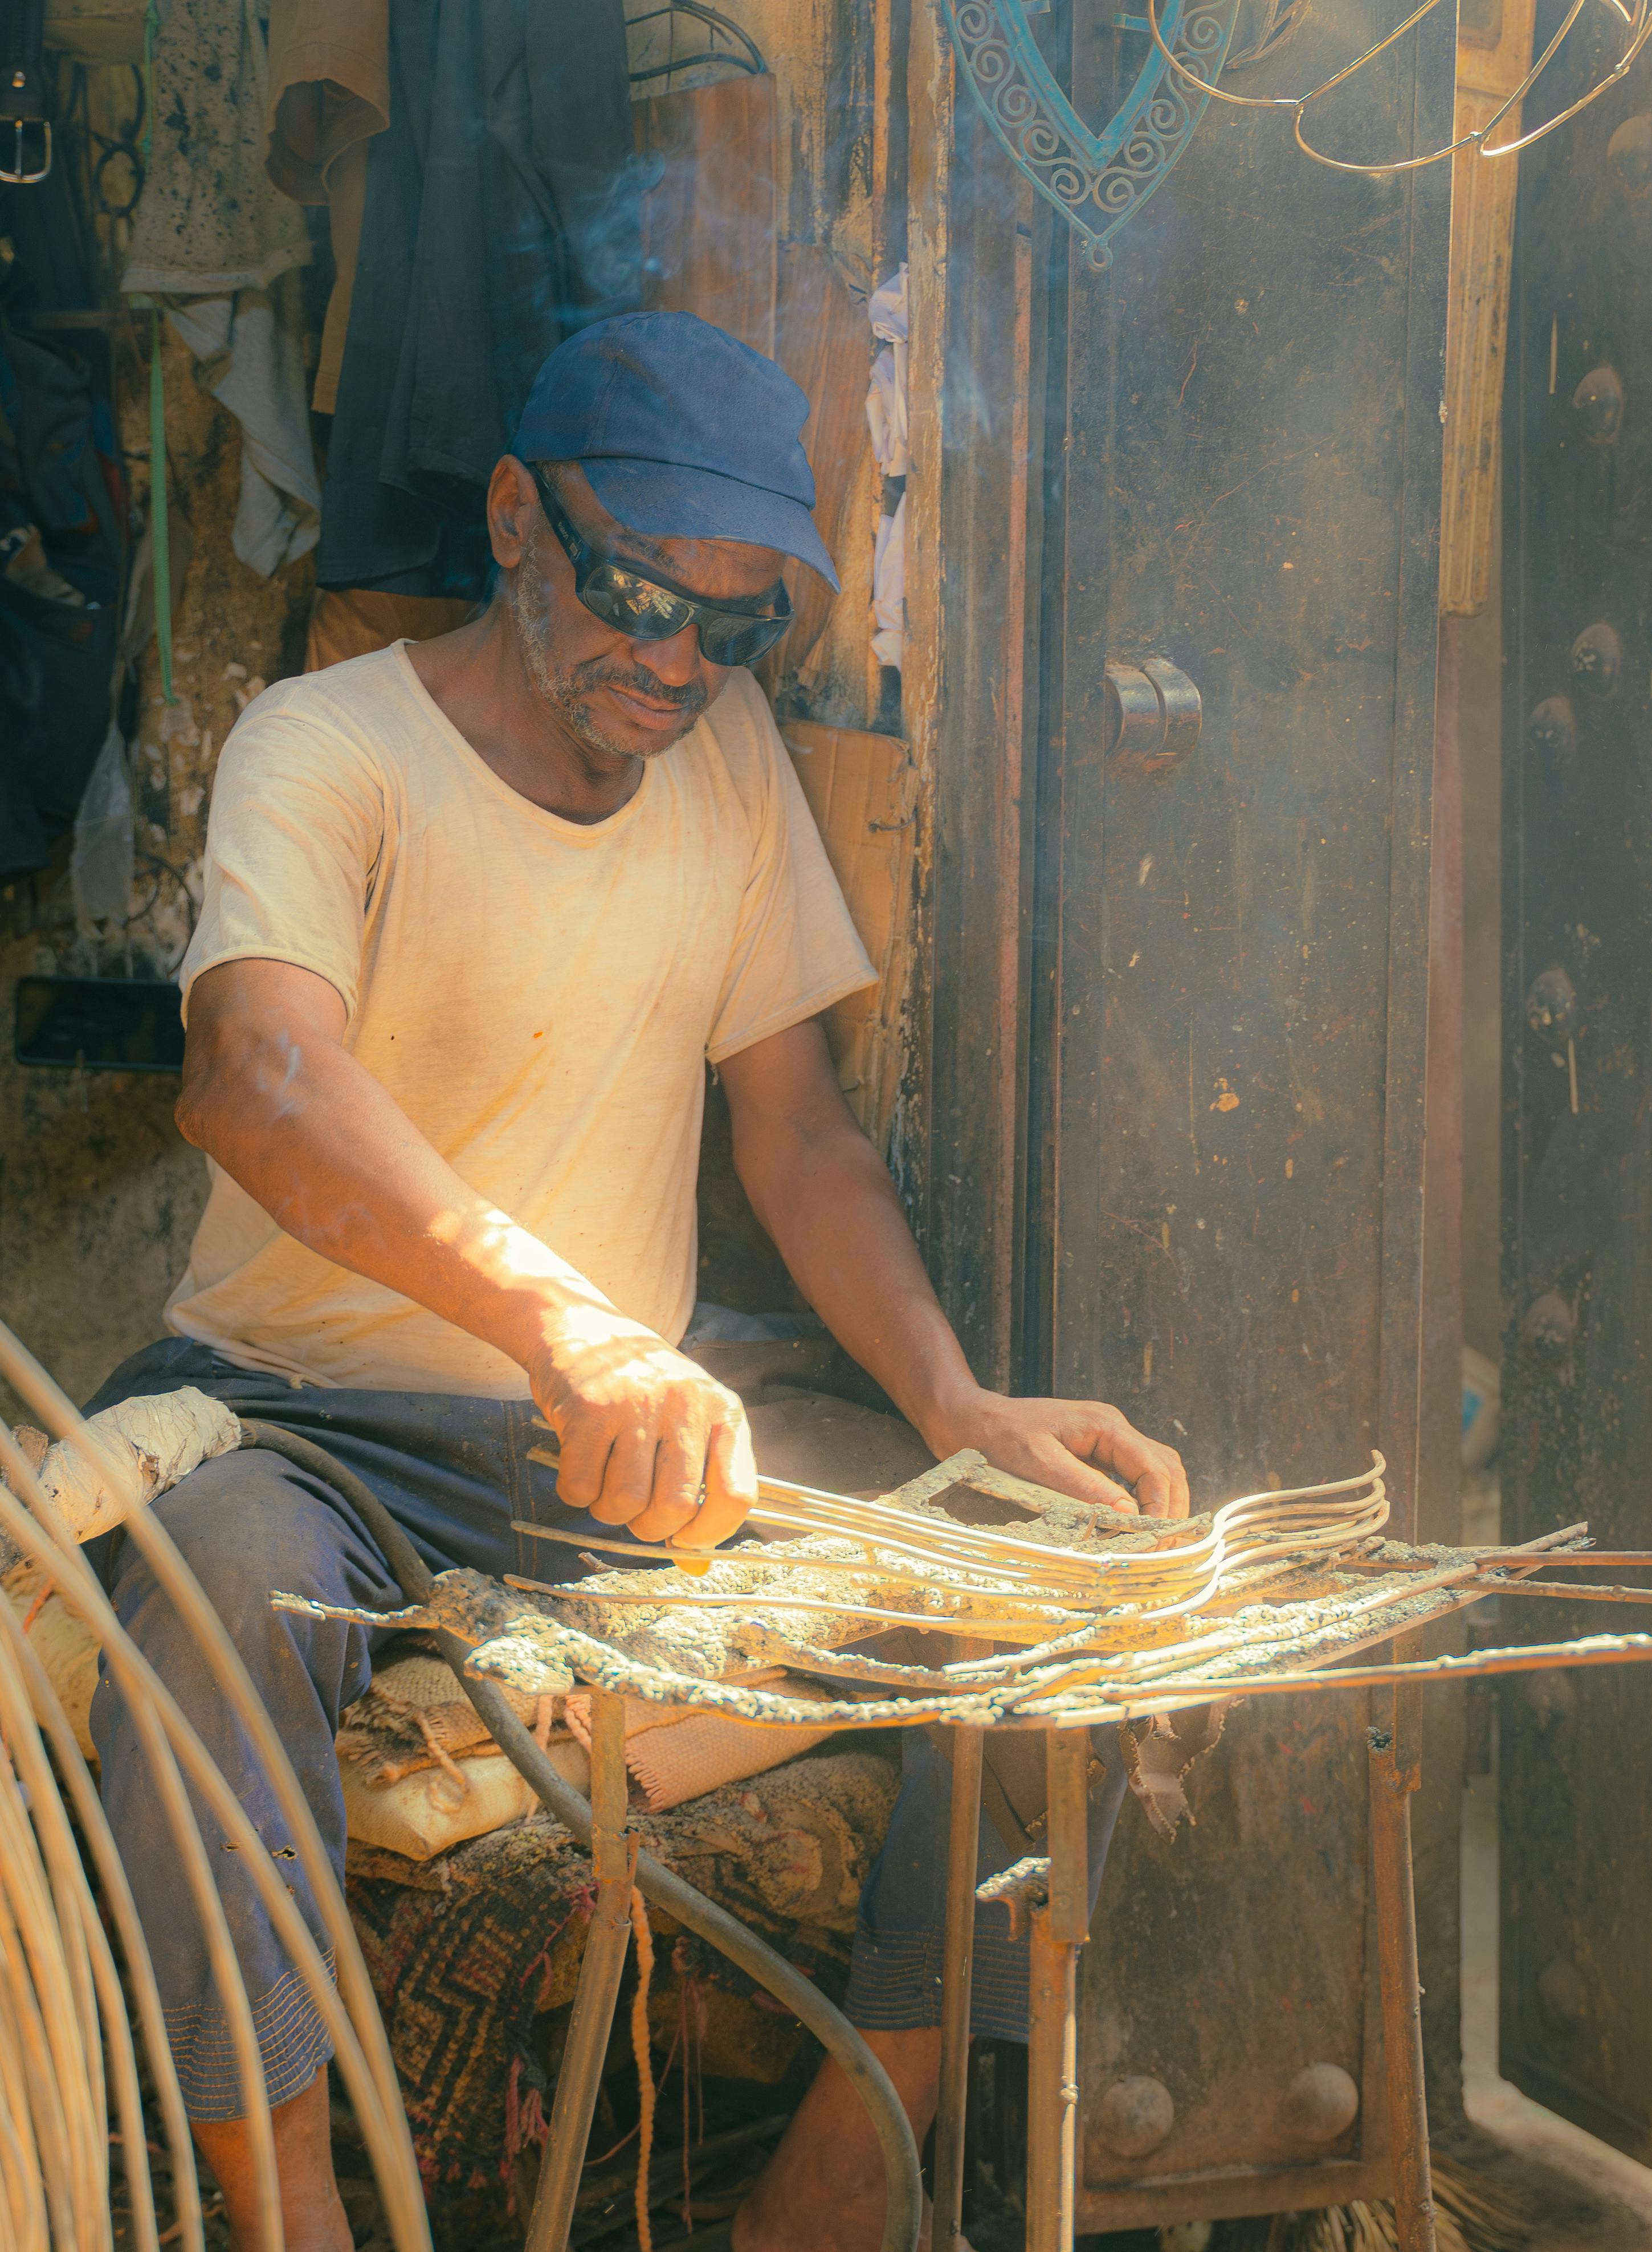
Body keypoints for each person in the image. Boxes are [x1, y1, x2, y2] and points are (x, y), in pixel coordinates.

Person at [87, 311, 1188, 2252]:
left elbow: (799, 1135)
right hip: (305, 1424)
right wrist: (566, 1326)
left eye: (733, 622)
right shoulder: (328, 745)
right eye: (637, 595)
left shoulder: (726, 762)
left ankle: (845, 2169)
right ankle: (289, 2212)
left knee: (1059, 1569)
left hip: (612, 1453)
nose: (677, 661)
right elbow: (258, 1078)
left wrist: (957, 1406)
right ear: (518, 520)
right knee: (210, 1597)